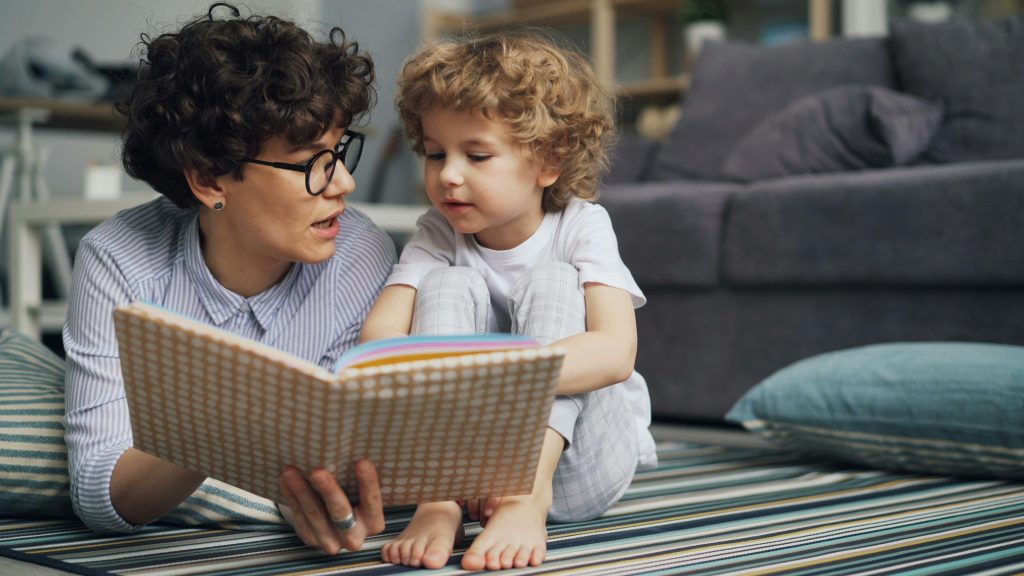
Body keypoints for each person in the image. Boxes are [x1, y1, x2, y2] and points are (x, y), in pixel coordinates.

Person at [62, 3, 395, 555]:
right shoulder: (117, 259)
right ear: (210, 179)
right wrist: (230, 417)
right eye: (313, 161)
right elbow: (101, 494)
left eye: (339, 151)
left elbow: (348, 451)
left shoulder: (360, 253)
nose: (346, 184)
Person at [361, 32, 657, 571]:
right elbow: (378, 342)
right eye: (434, 153)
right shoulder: (437, 232)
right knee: (447, 285)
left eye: (476, 154)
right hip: (469, 468)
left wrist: (483, 370)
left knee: (553, 281)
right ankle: (441, 498)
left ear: (549, 162)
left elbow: (616, 354)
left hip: (577, 469)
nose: (448, 174)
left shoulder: (581, 226)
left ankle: (526, 499)